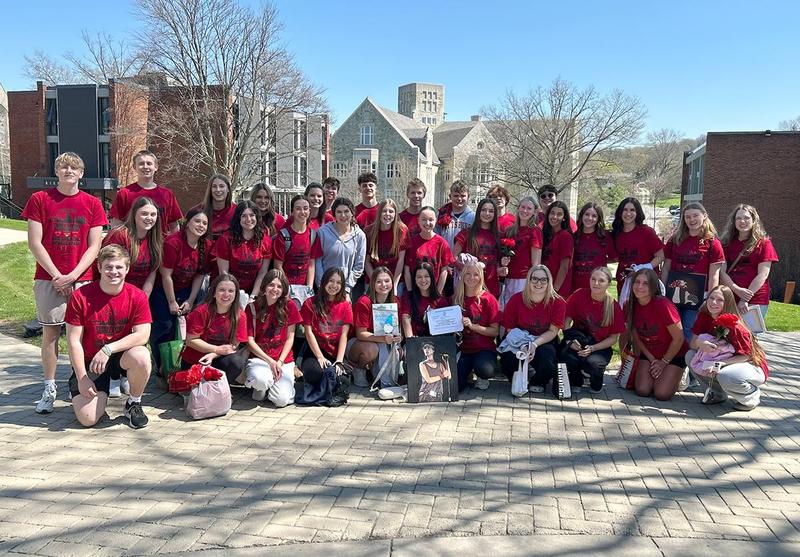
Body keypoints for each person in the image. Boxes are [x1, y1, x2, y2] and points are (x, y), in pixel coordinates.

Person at [22, 151, 107, 414]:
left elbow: (95, 246)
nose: (69, 171)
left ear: (82, 173)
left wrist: (73, 275)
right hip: (48, 278)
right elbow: (35, 242)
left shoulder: (93, 203)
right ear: (57, 172)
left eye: (74, 168)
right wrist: (58, 275)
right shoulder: (40, 199)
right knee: (50, 334)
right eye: (63, 167)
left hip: (81, 280)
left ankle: (81, 381)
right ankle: (48, 388)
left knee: (83, 335)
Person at [65, 245, 153, 428]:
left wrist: (108, 349)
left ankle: (133, 404)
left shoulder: (137, 296)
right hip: (92, 362)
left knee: (142, 356)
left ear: (127, 269)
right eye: (109, 267)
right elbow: (73, 341)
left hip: (120, 357)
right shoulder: (80, 296)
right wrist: (82, 378)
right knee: (87, 419)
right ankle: (94, 393)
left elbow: (142, 335)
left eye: (119, 267)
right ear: (99, 268)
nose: (114, 272)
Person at [687, 285, 769, 410]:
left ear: (727, 303)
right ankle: (716, 394)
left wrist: (720, 363)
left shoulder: (735, 325)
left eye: (720, 300)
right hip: (722, 359)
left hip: (751, 365)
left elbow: (748, 356)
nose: (713, 302)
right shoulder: (704, 316)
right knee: (691, 356)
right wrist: (700, 344)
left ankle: (751, 396)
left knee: (725, 375)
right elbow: (693, 342)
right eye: (711, 298)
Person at [152, 207, 212, 354]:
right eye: (197, 221)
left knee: (188, 326)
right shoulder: (173, 242)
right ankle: (161, 364)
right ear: (187, 222)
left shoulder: (206, 245)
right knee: (166, 326)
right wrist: (172, 302)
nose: (201, 225)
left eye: (204, 223)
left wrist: (191, 300)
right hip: (163, 288)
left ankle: (181, 361)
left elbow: (199, 275)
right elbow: (166, 275)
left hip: (186, 289)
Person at [662, 201, 725, 339]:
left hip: (697, 296)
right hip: (674, 293)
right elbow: (666, 267)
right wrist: (662, 291)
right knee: (671, 329)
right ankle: (674, 359)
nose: (692, 220)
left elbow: (714, 274)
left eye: (695, 215)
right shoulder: (675, 240)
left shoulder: (713, 243)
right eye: (688, 217)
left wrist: (709, 299)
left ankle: (689, 359)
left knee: (689, 329)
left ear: (704, 216)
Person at [500, 265, 566, 396]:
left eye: (543, 280)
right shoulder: (516, 299)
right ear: (528, 280)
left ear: (549, 282)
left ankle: (537, 381)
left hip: (543, 340)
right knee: (508, 362)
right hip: (518, 338)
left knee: (548, 363)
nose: (538, 283)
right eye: (534, 279)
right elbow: (509, 329)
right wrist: (523, 345)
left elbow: (553, 331)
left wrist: (534, 345)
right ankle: (521, 376)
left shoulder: (558, 302)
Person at [625, 268, 688, 401]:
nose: (640, 286)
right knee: (642, 390)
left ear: (653, 286)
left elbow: (679, 338)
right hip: (650, 353)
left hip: (674, 354)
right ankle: (664, 376)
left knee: (662, 393)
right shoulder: (629, 304)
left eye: (645, 283)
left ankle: (680, 374)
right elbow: (636, 336)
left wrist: (663, 362)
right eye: (637, 282)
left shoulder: (663, 304)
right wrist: (653, 360)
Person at [562, 267, 625, 393]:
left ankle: (595, 382)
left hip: (599, 346)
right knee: (566, 357)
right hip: (578, 340)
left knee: (593, 364)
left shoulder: (614, 306)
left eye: (601, 280)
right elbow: (566, 321)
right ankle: (576, 379)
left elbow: (613, 338)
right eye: (593, 279)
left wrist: (592, 348)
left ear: (608, 284)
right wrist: (570, 340)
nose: (596, 283)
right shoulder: (579, 295)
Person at [245, 269, 301, 406]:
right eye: (271, 285)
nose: (275, 289)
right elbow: (249, 341)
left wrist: (280, 362)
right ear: (264, 286)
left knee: (281, 401)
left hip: (283, 360)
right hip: (261, 358)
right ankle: (264, 386)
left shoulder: (290, 306)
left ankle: (275, 387)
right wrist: (271, 362)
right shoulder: (252, 307)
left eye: (279, 286)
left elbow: (290, 338)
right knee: (260, 380)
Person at [181, 273, 249, 384]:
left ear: (236, 295)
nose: (226, 294)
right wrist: (216, 349)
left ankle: (219, 389)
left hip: (219, 358)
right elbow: (191, 340)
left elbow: (234, 345)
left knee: (237, 362)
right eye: (222, 290)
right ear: (213, 293)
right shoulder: (200, 311)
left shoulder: (240, 315)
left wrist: (214, 354)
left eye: (231, 291)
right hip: (197, 359)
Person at [719, 204, 778, 319]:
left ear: (754, 220)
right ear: (733, 221)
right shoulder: (726, 243)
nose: (742, 221)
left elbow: (763, 274)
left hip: (755, 298)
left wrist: (744, 298)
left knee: (749, 335)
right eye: (738, 218)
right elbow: (722, 272)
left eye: (746, 218)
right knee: (727, 334)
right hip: (730, 296)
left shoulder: (764, 243)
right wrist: (737, 290)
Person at [347, 267, 403, 387]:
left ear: (392, 283)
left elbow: (397, 329)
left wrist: (398, 337)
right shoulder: (364, 302)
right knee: (371, 350)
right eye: (379, 281)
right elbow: (361, 334)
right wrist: (383, 339)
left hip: (383, 342)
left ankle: (376, 373)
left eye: (387, 281)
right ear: (373, 284)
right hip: (359, 344)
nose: (383, 285)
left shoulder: (396, 302)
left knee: (399, 351)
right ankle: (358, 368)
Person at [299, 268, 353, 391]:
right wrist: (319, 357)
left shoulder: (345, 305)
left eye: (339, 283)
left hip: (335, 352)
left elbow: (344, 335)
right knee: (313, 374)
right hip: (315, 350)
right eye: (331, 281)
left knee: (342, 380)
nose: (334, 285)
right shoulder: (309, 303)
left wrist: (339, 360)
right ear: (323, 282)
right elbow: (308, 332)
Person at [101, 196, 163, 297]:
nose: (149, 218)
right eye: (144, 214)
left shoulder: (154, 239)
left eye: (153, 214)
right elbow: (110, 271)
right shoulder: (119, 235)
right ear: (134, 214)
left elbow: (152, 271)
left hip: (139, 294)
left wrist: (143, 299)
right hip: (114, 291)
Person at [453, 261, 500, 392]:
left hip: (483, 348)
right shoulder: (456, 298)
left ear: (481, 277)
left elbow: (495, 331)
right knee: (455, 386)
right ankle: (466, 373)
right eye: (467, 273)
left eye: (475, 274)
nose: (471, 277)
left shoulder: (489, 299)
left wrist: (473, 326)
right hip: (464, 350)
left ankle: (481, 376)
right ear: (462, 275)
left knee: (485, 369)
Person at [109, 150, 182, 233]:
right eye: (141, 164)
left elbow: (174, 225)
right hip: (132, 244)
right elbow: (117, 224)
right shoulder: (124, 193)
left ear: (156, 167)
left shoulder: (167, 194)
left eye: (149, 163)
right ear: (134, 167)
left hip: (160, 244)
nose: (145, 166)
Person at [213, 200, 273, 301]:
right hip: (229, 291)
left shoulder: (265, 240)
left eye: (252, 215)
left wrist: (253, 296)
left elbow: (263, 272)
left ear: (257, 217)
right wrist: (234, 295)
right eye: (244, 216)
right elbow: (223, 272)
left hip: (254, 291)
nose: (248, 219)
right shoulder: (226, 239)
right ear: (238, 218)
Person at [611, 197, 664, 296]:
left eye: (632, 210)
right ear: (620, 212)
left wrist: (644, 267)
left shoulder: (646, 232)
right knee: (625, 310)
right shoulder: (616, 234)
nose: (628, 213)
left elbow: (661, 255)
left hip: (644, 283)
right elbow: (615, 257)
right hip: (624, 283)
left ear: (637, 212)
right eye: (625, 210)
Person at [314, 197, 367, 296]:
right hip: (324, 288)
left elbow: (358, 266)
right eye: (339, 212)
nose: (343, 215)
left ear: (352, 213)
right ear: (334, 214)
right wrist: (322, 286)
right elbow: (317, 261)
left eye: (346, 211)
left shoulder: (360, 236)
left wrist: (346, 288)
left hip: (346, 289)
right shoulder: (323, 232)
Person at [454, 198, 503, 298]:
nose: (487, 213)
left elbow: (499, 261)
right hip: (469, 285)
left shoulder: (499, 236)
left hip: (491, 285)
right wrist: (466, 269)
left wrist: (501, 269)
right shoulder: (466, 233)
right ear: (478, 211)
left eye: (491, 211)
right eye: (484, 210)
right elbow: (453, 257)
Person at [500, 196, 543, 310]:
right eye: (522, 207)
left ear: (534, 212)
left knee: (522, 310)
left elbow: (536, 263)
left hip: (524, 279)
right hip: (509, 278)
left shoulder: (535, 231)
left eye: (529, 208)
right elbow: (503, 254)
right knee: (508, 310)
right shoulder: (510, 230)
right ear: (518, 208)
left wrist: (532, 282)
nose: (525, 211)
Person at [404, 206, 456, 296]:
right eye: (424, 219)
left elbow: (444, 270)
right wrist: (410, 292)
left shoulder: (442, 243)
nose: (427, 223)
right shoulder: (411, 243)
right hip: (416, 291)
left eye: (431, 220)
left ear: (435, 221)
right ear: (418, 220)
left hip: (434, 291)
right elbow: (407, 269)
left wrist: (438, 293)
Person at [272, 194, 321, 288]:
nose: (302, 212)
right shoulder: (283, 236)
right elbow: (278, 266)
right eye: (298, 208)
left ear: (309, 211)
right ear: (292, 212)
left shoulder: (313, 235)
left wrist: (309, 288)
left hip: (303, 288)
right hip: (285, 286)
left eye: (305, 208)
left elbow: (311, 264)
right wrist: (287, 288)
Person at [365, 199, 408, 290]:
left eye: (391, 211)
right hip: (373, 279)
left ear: (395, 214)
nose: (387, 214)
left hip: (395, 280)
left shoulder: (402, 230)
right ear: (379, 213)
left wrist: (394, 285)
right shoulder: (369, 231)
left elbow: (401, 260)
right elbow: (366, 261)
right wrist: (376, 282)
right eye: (384, 211)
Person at [572, 202, 617, 291]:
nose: (590, 218)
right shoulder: (574, 237)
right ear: (581, 216)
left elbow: (615, 257)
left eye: (594, 216)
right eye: (587, 214)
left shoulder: (605, 236)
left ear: (598, 219)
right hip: (576, 286)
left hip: (597, 286)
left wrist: (600, 260)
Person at [400, 263, 448, 338]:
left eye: (426, 276)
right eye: (419, 277)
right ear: (414, 279)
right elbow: (405, 318)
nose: (423, 280)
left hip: (437, 343)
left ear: (432, 278)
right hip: (415, 341)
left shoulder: (440, 300)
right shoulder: (408, 297)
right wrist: (410, 339)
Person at [541, 200, 574, 298]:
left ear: (564, 218)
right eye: (552, 213)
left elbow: (564, 266)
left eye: (559, 214)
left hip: (557, 287)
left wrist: (555, 289)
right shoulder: (545, 235)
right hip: (543, 283)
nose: (554, 217)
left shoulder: (565, 237)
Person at [434, 180, 475, 251]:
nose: (459, 199)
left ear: (468, 197)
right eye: (456, 196)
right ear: (450, 196)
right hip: (445, 257)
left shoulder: (474, 217)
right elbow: (435, 237)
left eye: (463, 196)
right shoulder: (441, 215)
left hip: (465, 259)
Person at [201, 174, 237, 241]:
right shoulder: (199, 211)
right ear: (210, 190)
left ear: (228, 189)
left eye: (221, 186)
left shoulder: (237, 211)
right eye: (214, 186)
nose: (218, 190)